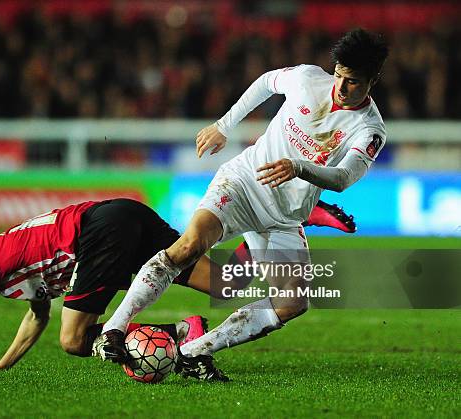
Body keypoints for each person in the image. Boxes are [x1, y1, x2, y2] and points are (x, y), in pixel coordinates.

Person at [93, 28, 389, 381]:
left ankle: (192, 352)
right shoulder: (308, 78)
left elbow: (341, 178)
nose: (341, 88)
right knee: (189, 245)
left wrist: (298, 167)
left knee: (292, 303)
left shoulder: (369, 129)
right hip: (243, 184)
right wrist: (224, 125)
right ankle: (113, 329)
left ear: (373, 80)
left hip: (283, 218)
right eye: (339, 75)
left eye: (353, 82)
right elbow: (266, 82)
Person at [0, 195, 354, 375]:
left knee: (74, 341)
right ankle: (293, 216)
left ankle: (165, 342)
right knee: (228, 284)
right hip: (120, 213)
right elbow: (35, 319)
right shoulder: (16, 265)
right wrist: (1, 367)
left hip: (97, 235)